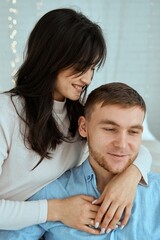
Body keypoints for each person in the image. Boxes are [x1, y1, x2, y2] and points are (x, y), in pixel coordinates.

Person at [0, 8, 152, 234]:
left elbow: (133, 146)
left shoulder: (77, 116)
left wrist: (130, 179)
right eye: (80, 67)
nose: (88, 78)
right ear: (50, 57)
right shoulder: (6, 112)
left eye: (92, 68)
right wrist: (56, 210)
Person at [0, 82, 158, 240]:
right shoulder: (49, 194)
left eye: (133, 131)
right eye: (110, 129)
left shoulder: (156, 192)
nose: (122, 144)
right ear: (83, 127)